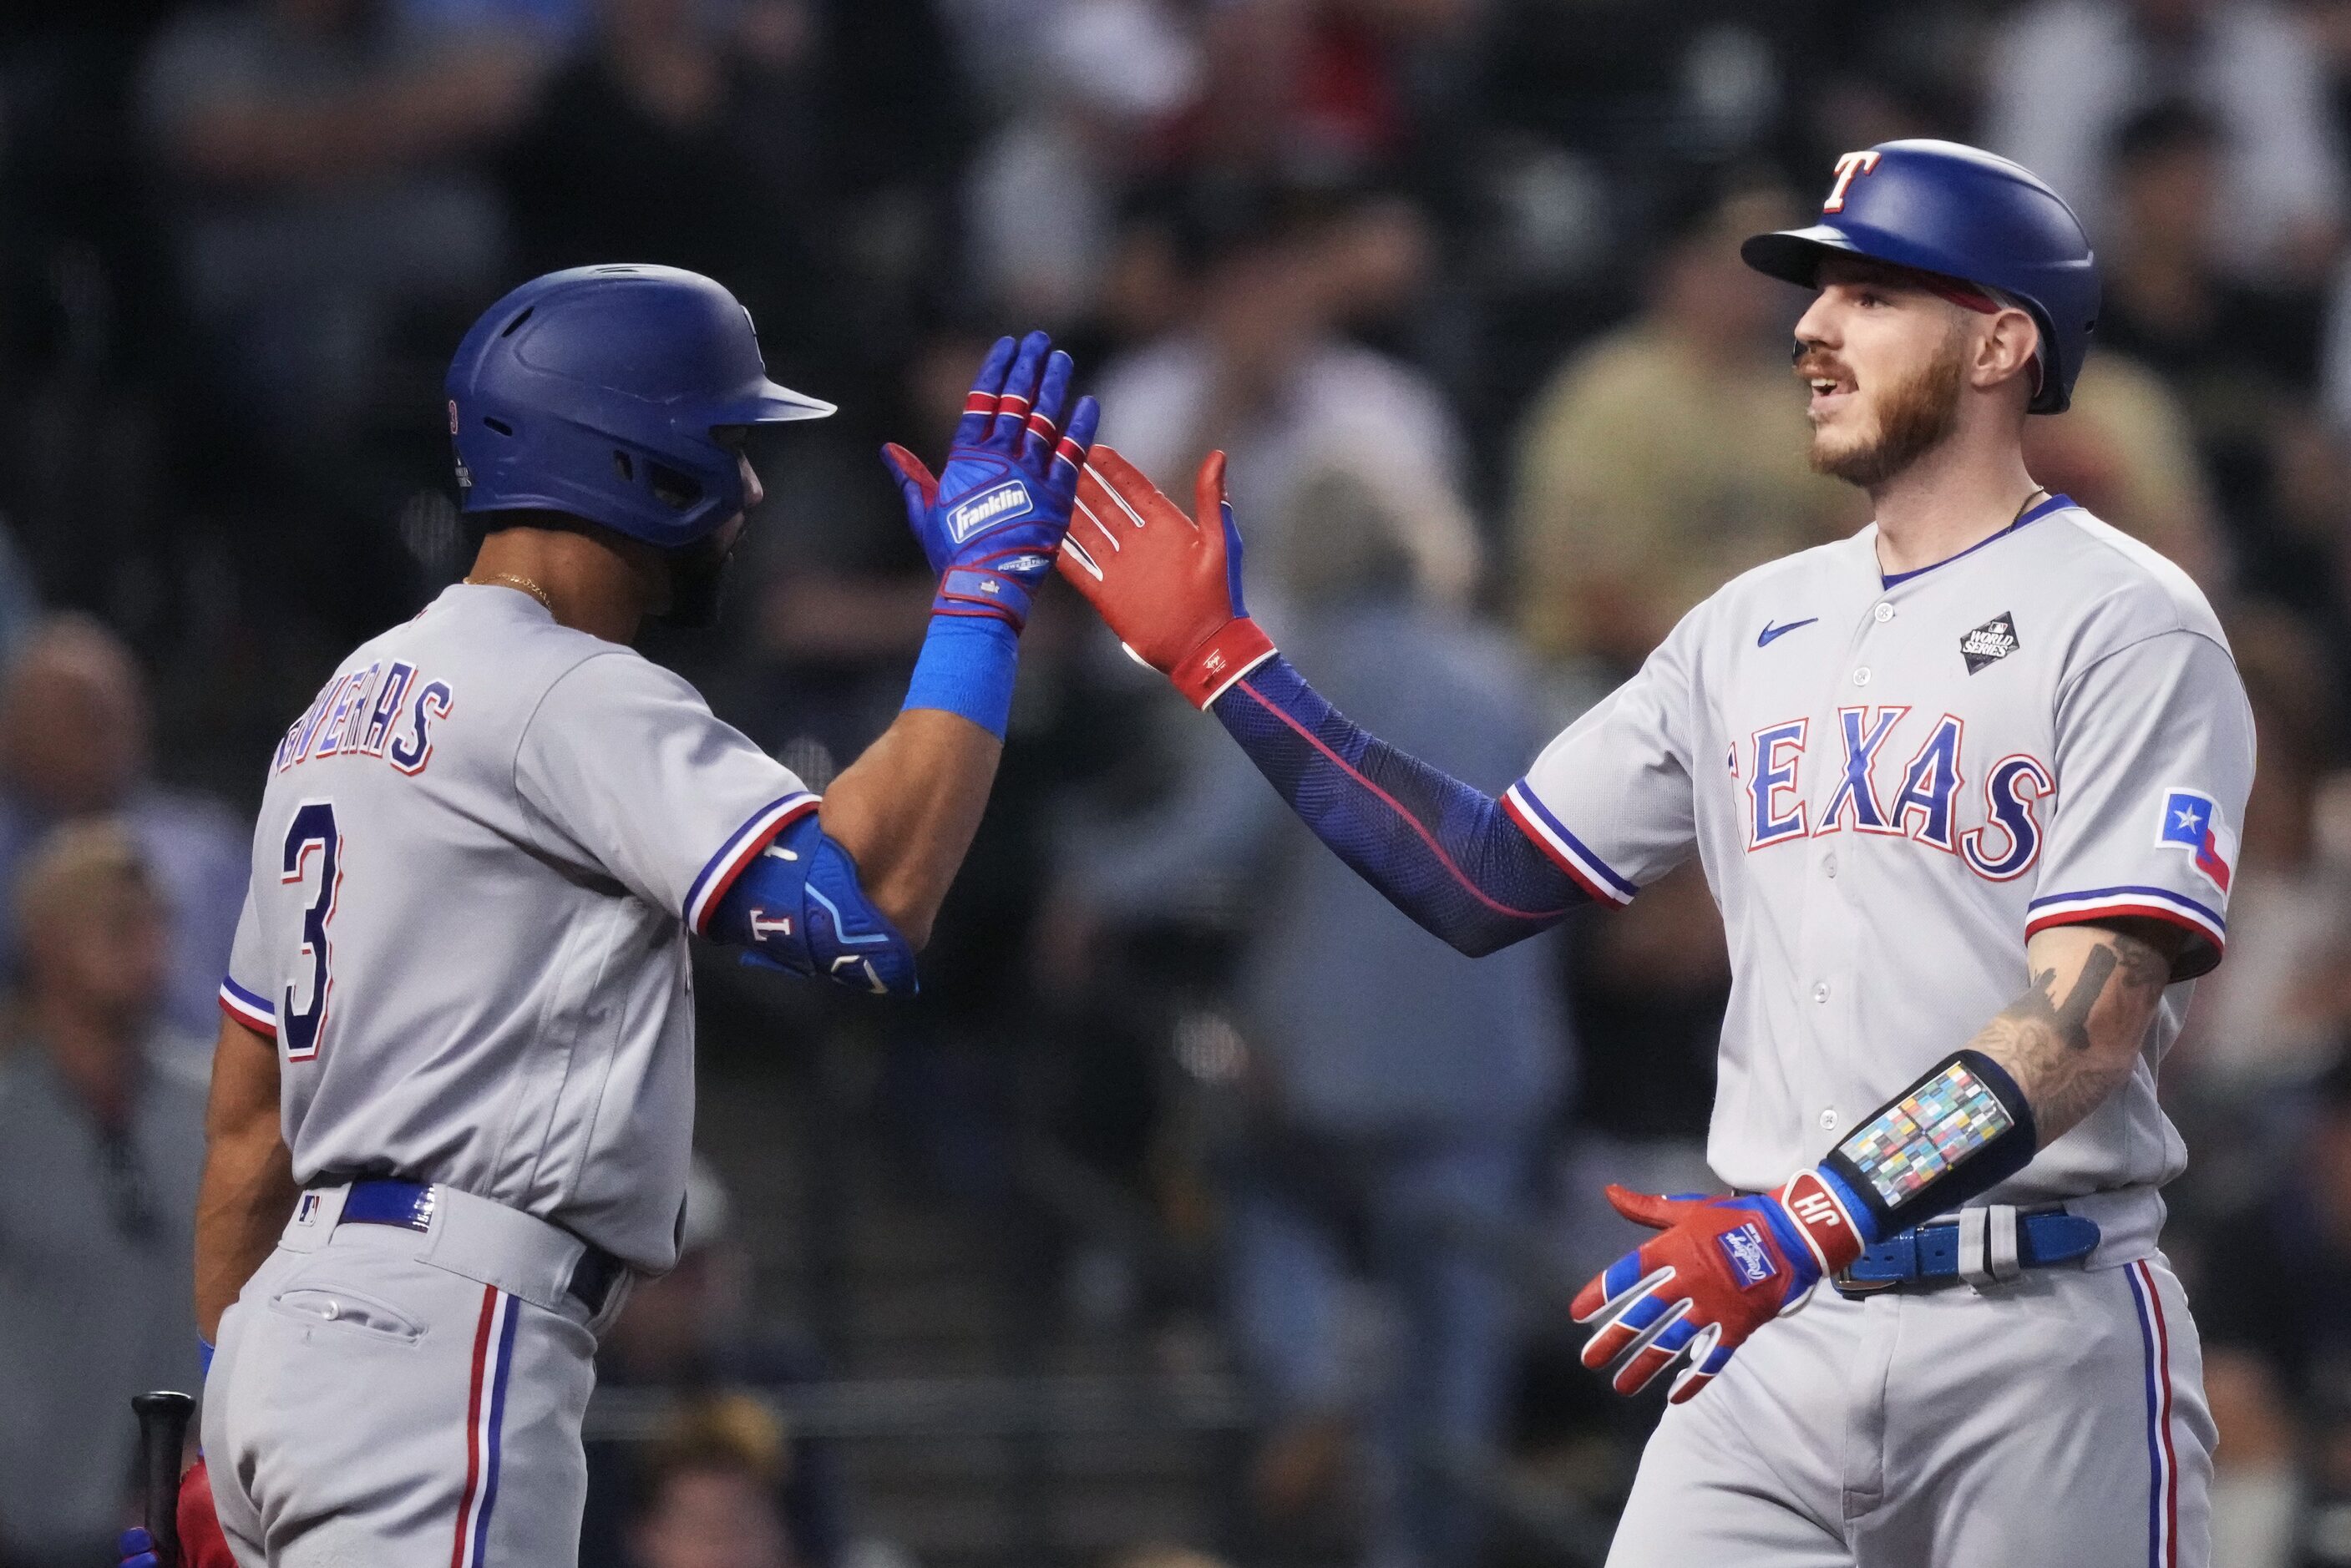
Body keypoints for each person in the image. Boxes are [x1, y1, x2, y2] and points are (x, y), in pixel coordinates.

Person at [1058, 140, 2250, 1565]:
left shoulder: (2127, 619)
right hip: (1778, 1326)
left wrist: (1798, 1226)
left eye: (1871, 294)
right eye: (1818, 295)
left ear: (2002, 339)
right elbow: (1488, 873)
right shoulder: (1747, 624)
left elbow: (2086, 1025)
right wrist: (1228, 667)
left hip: (2036, 1328)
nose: (1810, 327)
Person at [124, 266, 1098, 1568]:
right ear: (634, 458)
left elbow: (249, 1131)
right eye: (725, 443)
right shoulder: (560, 688)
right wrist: (981, 601)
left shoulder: (337, 709)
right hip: (439, 1344)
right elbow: (869, 901)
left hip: (283, 1349)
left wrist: (215, 1418)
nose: (747, 492)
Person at [0, 822, 208, 1568]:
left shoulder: (216, 1107)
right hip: (33, 1523)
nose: (151, 946)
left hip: (190, 1520)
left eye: (159, 923)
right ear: (48, 945)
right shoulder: (9, 1122)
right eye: (122, 927)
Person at [0, 615, 252, 1044]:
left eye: (120, 703)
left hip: (209, 1082)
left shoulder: (208, 845)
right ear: (14, 728)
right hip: (37, 1093)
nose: (109, 725)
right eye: (82, 708)